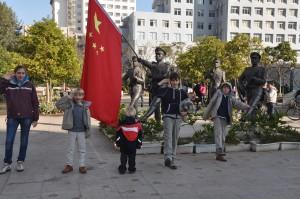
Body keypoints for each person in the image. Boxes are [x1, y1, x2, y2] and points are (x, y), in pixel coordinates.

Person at [141, 72, 191, 169]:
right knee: (168, 137)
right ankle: (167, 158)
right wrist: (162, 81)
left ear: (179, 80)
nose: (174, 82)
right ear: (170, 81)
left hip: (178, 117)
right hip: (168, 116)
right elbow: (153, 92)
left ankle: (172, 158)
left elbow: (188, 105)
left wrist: (186, 112)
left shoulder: (183, 92)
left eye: (176, 80)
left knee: (174, 138)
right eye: (172, 80)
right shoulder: (165, 90)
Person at [0, 65, 39, 174]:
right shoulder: (8, 84)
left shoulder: (30, 85)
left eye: (23, 73)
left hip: (27, 117)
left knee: (24, 141)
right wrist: (4, 78)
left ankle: (20, 162)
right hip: (12, 117)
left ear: (25, 74)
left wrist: (36, 118)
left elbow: (35, 102)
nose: (21, 75)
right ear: (15, 74)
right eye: (18, 73)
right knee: (9, 141)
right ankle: (7, 164)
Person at [203, 82, 249, 162]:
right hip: (217, 116)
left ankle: (219, 155)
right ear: (221, 88)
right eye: (224, 87)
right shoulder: (218, 94)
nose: (225, 89)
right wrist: (206, 115)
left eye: (227, 88)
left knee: (223, 136)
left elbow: (238, 104)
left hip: (225, 119)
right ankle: (220, 150)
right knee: (218, 134)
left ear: (230, 89)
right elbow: (211, 103)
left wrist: (247, 106)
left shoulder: (231, 98)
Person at [55, 88, 91, 174]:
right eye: (76, 95)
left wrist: (88, 129)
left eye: (80, 95)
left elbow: (88, 120)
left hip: (82, 131)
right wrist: (68, 97)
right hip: (72, 130)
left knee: (82, 149)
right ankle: (69, 165)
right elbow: (58, 104)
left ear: (83, 96)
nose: (78, 97)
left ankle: (82, 165)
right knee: (70, 148)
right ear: (73, 96)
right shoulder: (69, 105)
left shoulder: (85, 106)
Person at [138, 47, 177, 122]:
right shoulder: (153, 65)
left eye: (159, 54)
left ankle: (144, 118)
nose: (157, 55)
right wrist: (141, 60)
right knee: (156, 108)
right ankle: (158, 123)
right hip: (154, 87)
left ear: (163, 56)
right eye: (156, 54)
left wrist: (153, 75)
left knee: (155, 103)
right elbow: (147, 63)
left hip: (163, 88)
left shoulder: (166, 66)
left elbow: (165, 76)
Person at [115, 107, 143, 174]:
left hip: (123, 144)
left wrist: (117, 143)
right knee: (132, 157)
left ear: (125, 114)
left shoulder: (122, 124)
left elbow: (118, 135)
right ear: (134, 114)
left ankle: (122, 169)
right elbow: (140, 136)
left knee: (123, 157)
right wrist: (139, 144)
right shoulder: (138, 125)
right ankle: (131, 169)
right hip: (133, 145)